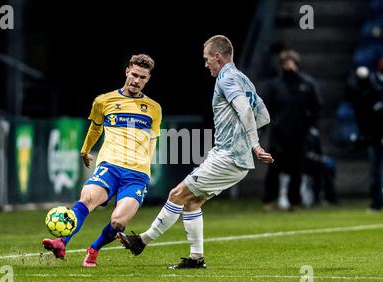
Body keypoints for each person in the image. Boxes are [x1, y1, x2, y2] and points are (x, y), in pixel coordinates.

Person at [117, 35, 273, 269]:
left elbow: (246, 111)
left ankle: (141, 241)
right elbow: (264, 116)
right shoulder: (243, 79)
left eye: (207, 58)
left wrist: (254, 144)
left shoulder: (227, 77)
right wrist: (241, 137)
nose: (205, 63)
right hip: (235, 159)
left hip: (228, 156)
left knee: (176, 194)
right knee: (192, 203)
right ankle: (196, 258)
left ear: (217, 57)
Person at [42, 54, 162, 267]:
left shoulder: (153, 108)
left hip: (137, 175)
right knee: (87, 199)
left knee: (118, 221)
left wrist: (144, 168)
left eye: (142, 77)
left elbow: (152, 140)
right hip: (110, 166)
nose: (136, 80)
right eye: (134, 74)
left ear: (148, 79)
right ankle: (61, 242)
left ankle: (94, 248)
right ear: (127, 71)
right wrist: (85, 150)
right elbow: (96, 127)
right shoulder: (103, 101)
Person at [262, 50, 322, 211]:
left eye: (291, 62)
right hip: (279, 133)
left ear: (296, 63)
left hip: (300, 133)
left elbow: (316, 107)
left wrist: (311, 127)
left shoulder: (308, 84)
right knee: (274, 167)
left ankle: (295, 201)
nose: (288, 65)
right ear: (281, 65)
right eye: (285, 62)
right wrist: (266, 128)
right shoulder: (273, 85)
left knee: (297, 169)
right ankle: (269, 200)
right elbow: (265, 109)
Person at [346, 58, 383, 212]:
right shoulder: (370, 83)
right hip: (374, 133)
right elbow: (359, 101)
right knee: (375, 169)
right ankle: (376, 202)